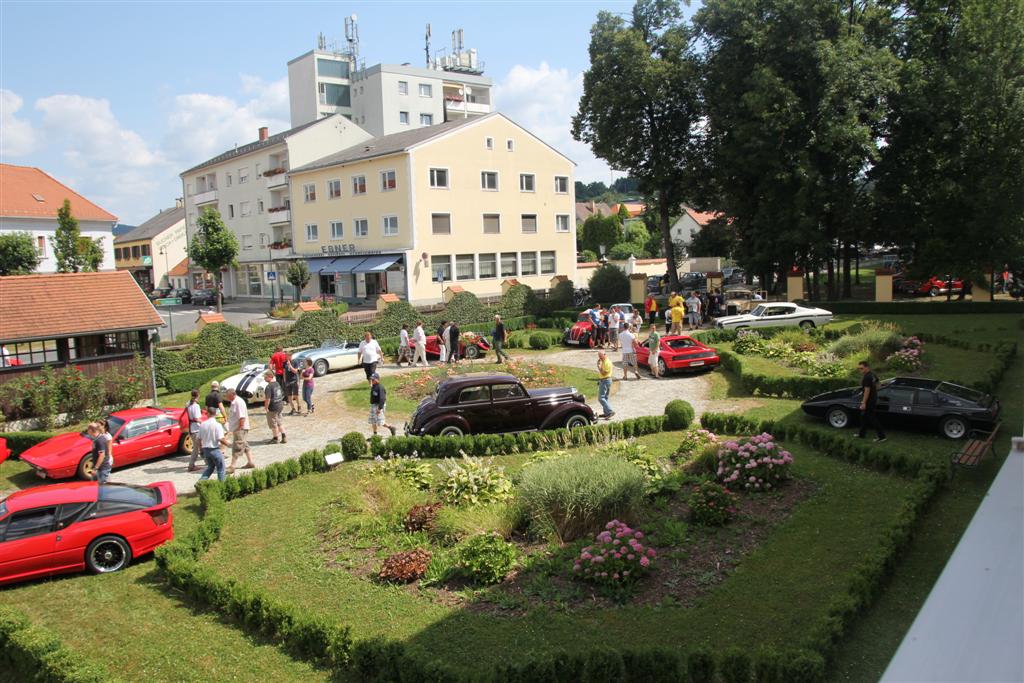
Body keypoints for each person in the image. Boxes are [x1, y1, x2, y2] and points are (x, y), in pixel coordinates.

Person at [855, 361, 886, 442]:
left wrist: (864, 402)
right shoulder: (873, 374)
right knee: (863, 417)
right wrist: (874, 391)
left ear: (867, 367)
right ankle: (862, 434)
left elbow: (867, 391)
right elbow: (878, 385)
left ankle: (881, 436)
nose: (860, 370)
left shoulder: (867, 377)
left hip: (869, 401)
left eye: (861, 368)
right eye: (859, 369)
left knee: (871, 418)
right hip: (873, 399)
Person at [225, 387, 254, 473]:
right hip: (238, 428)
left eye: (227, 396)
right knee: (244, 445)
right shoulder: (234, 402)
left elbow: (242, 417)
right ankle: (250, 462)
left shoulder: (238, 402)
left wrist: (239, 428)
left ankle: (232, 466)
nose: (226, 397)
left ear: (232, 395)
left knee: (237, 446)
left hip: (240, 428)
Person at [197, 405, 230, 482]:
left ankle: (201, 482)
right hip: (214, 449)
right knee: (221, 468)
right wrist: (228, 444)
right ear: (215, 414)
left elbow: (198, 439)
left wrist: (200, 450)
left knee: (210, 467)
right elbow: (220, 438)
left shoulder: (202, 425)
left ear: (207, 414)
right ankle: (221, 485)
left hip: (206, 450)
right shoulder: (217, 425)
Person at [263, 371, 287, 444]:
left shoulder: (268, 387)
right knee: (279, 422)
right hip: (279, 405)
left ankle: (275, 438)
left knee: (273, 423)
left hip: (273, 407)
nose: (264, 379)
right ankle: (284, 436)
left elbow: (268, 399)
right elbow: (281, 394)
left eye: (265, 377)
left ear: (270, 377)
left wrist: (266, 407)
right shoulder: (277, 383)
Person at [185, 389, 204, 472]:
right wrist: (205, 423)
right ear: (198, 395)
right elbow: (197, 418)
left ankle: (208, 461)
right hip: (196, 428)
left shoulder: (188, 403)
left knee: (201, 446)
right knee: (197, 448)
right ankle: (191, 465)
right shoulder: (196, 406)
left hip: (191, 428)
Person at [596, 350, 614, 419]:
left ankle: (610, 411)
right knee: (605, 398)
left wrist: (598, 366)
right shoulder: (604, 361)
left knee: (601, 398)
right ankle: (606, 413)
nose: (599, 357)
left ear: (604, 354)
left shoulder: (607, 362)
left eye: (600, 356)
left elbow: (603, 373)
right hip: (605, 380)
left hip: (605, 381)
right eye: (599, 356)